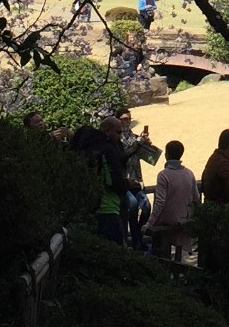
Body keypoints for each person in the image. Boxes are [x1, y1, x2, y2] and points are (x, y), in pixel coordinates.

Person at [72, 117, 132, 246]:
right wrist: (126, 184)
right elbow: (114, 181)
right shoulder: (107, 149)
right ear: (107, 131)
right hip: (107, 207)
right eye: (118, 132)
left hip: (86, 207)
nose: (120, 136)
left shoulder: (85, 148)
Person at [114, 106, 160, 252]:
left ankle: (138, 236)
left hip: (137, 180)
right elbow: (125, 153)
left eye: (129, 119)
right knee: (133, 206)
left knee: (146, 207)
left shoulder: (135, 138)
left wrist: (148, 146)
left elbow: (151, 159)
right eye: (124, 119)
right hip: (124, 181)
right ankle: (135, 242)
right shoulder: (116, 140)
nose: (127, 122)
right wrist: (138, 143)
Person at [148, 139, 199, 261]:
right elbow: (196, 197)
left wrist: (149, 223)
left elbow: (160, 202)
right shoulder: (189, 173)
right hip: (184, 219)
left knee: (159, 252)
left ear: (166, 155)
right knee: (181, 256)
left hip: (167, 221)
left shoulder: (163, 175)